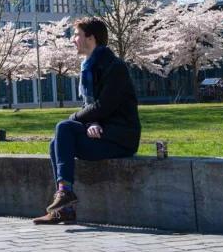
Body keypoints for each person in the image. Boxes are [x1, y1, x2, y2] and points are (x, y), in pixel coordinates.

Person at [33, 17, 142, 225]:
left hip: (120, 138)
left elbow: (103, 106)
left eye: (77, 35)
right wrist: (91, 123)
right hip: (102, 133)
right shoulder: (88, 67)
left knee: (64, 126)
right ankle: (65, 207)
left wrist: (77, 118)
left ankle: (64, 193)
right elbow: (92, 109)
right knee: (56, 142)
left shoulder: (115, 67)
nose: (73, 39)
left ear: (90, 38)